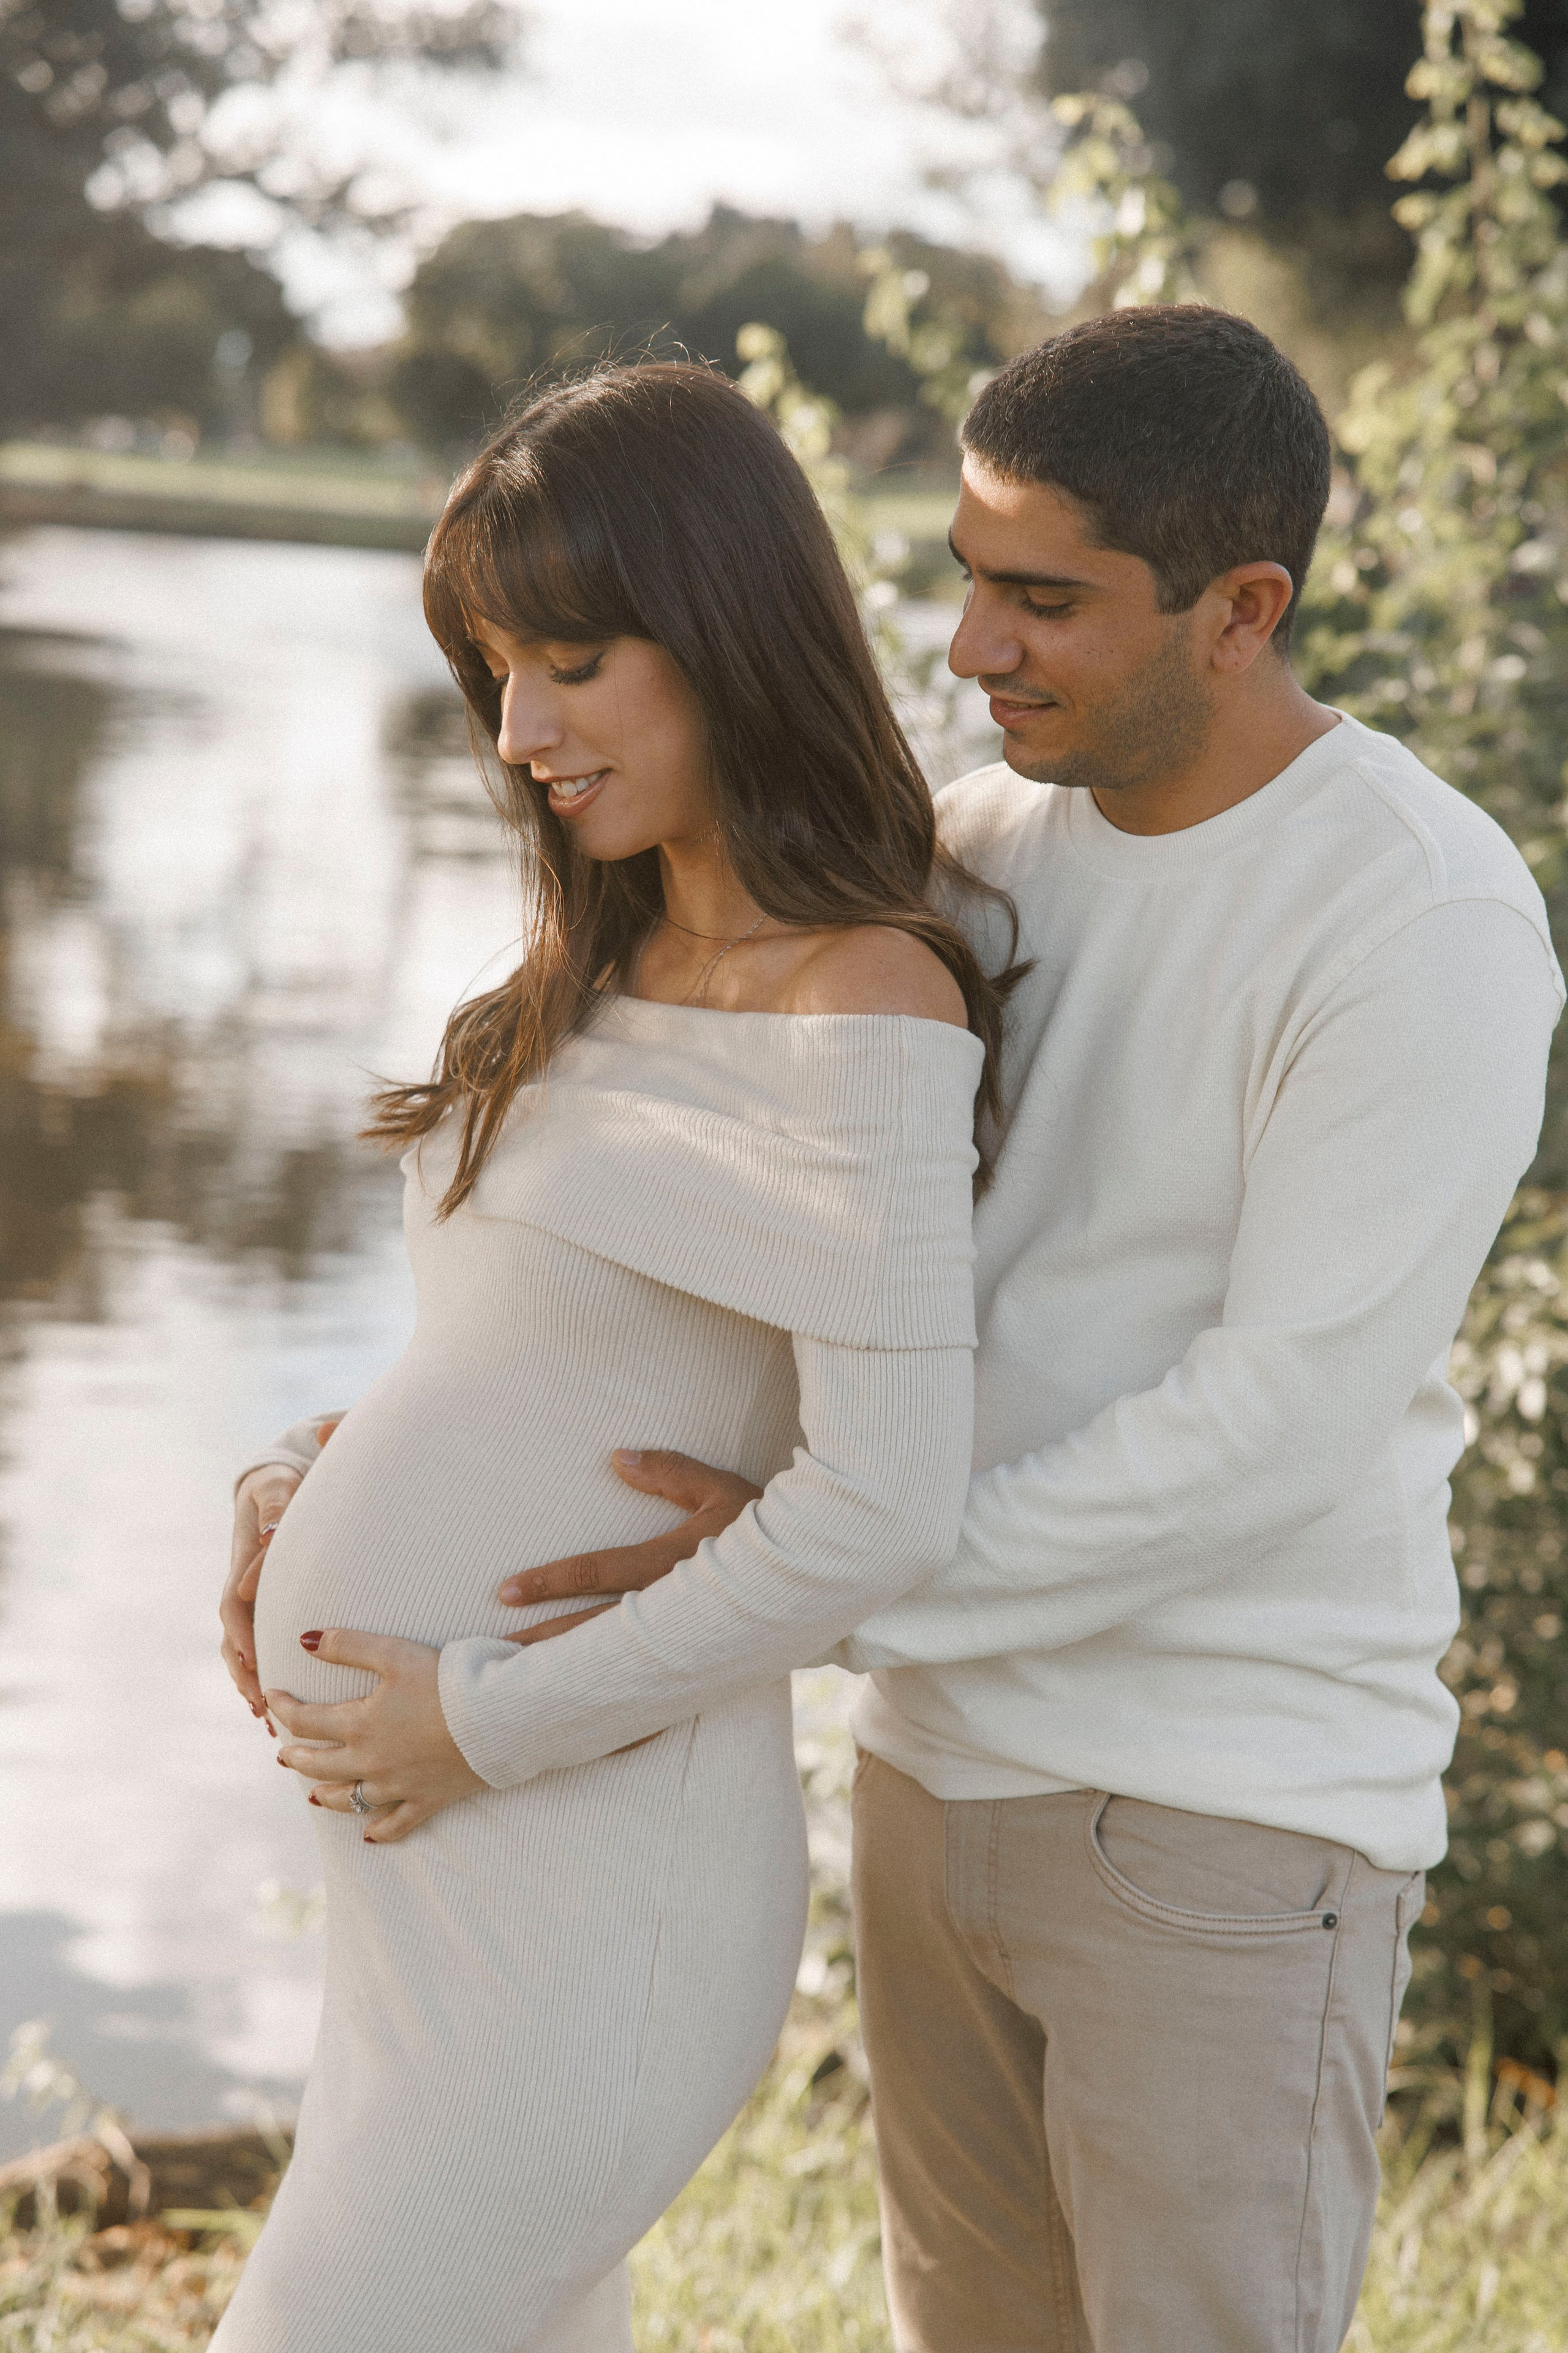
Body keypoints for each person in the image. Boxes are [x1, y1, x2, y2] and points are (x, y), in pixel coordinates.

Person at [411, 308, 1558, 2351]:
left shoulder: (1418, 916)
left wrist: (830, 1575)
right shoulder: (968, 855)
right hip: (933, 1782)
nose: (969, 647)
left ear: (1243, 607)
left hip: (1220, 1820)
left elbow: (1276, 1421)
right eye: (964, 574)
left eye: (1045, 599)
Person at [213, 358, 1018, 2353]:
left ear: (728, 631)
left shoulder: (872, 996)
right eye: (497, 668)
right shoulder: (590, 964)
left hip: (589, 1870)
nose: (519, 729)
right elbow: (538, 1361)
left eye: (570, 659)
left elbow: (884, 1503)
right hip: (439, 1885)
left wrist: (476, 1716)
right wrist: (308, 1476)